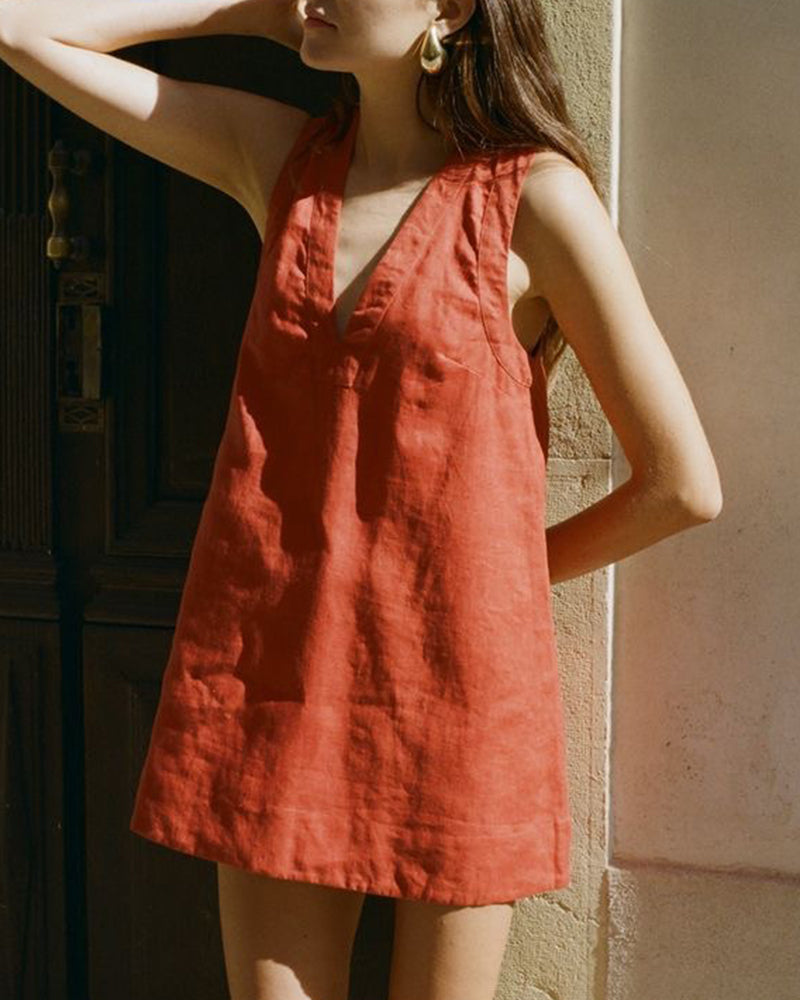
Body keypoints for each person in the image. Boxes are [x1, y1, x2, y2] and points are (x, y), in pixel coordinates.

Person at [0, 1, 723, 998]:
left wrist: (497, 590)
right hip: (272, 674)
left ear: (450, 7)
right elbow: (21, 30)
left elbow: (681, 482)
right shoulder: (277, 158)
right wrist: (251, 14)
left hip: (455, 689)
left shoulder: (532, 201)